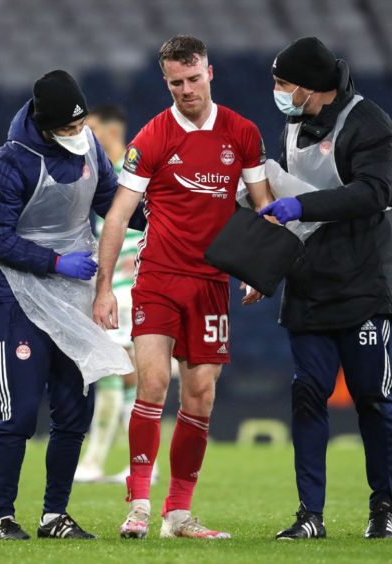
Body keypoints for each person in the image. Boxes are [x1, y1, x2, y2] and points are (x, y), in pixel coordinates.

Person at [93, 35, 272, 540]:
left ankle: (178, 515)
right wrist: (105, 288)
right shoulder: (152, 137)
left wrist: (261, 270)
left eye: (194, 79)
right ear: (165, 80)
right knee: (151, 384)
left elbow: (264, 207)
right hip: (159, 278)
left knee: (200, 398)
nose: (187, 90)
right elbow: (119, 215)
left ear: (209, 73)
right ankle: (138, 506)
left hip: (212, 283)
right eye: (176, 82)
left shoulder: (242, 132)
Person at [0, 70, 145, 540]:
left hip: (74, 296)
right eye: (67, 129)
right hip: (20, 296)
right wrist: (54, 261)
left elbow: (114, 201)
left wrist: (160, 214)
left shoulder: (90, 145)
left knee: (74, 412)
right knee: (21, 414)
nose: (78, 134)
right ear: (45, 124)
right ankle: (1, 517)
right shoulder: (10, 163)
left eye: (80, 124)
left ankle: (55, 515)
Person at [257, 37, 392, 540]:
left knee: (371, 397)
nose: (277, 92)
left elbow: (374, 192)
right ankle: (310, 516)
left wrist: (303, 206)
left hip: (364, 280)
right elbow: (285, 204)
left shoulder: (370, 123)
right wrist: (265, 269)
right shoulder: (294, 122)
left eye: (283, 83)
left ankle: (382, 505)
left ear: (309, 87)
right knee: (307, 395)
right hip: (308, 282)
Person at [75, 105, 159, 485]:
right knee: (120, 379)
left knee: (121, 377)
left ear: (111, 131)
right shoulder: (98, 177)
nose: (84, 136)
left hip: (130, 295)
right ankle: (134, 464)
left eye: (91, 129)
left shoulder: (136, 174)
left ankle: (104, 464)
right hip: (112, 293)